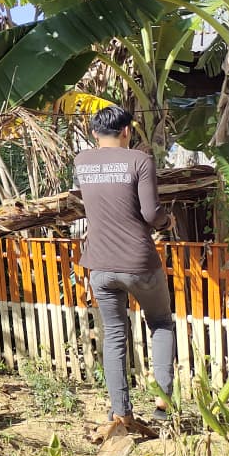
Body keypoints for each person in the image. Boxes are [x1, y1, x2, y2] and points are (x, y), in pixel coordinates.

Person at [74, 106, 174, 427]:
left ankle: (121, 412)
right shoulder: (139, 161)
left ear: (94, 134)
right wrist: (166, 219)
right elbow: (150, 213)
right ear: (127, 131)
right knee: (160, 322)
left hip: (100, 265)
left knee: (115, 335)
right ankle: (162, 404)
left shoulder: (82, 162)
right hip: (138, 261)